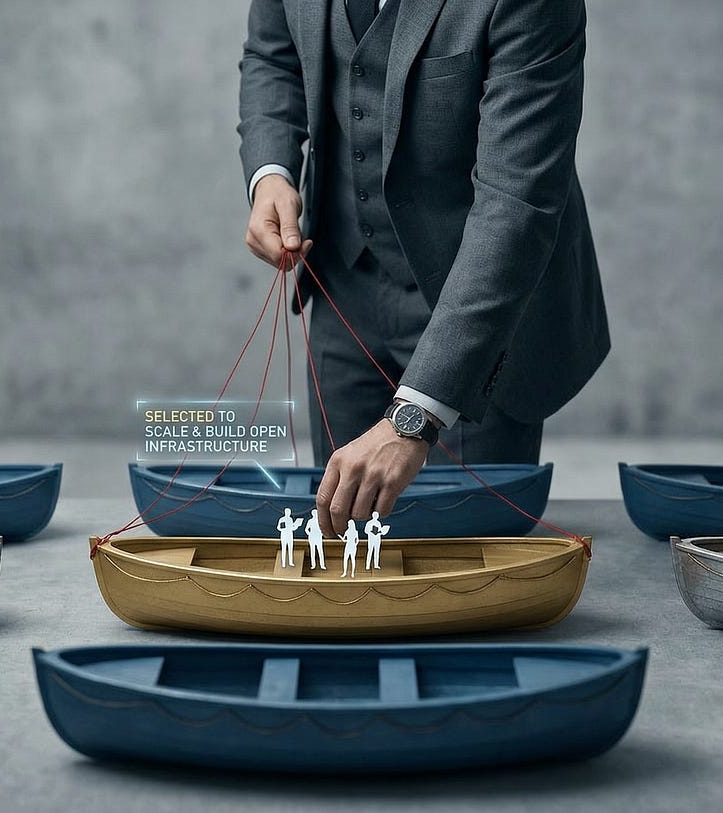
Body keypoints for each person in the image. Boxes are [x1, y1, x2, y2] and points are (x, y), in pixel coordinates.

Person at [238, 0, 609, 538]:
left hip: (481, 310)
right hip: (342, 283)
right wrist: (271, 172)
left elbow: (515, 203)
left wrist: (417, 415)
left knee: (468, 563)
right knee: (343, 542)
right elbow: (271, 56)